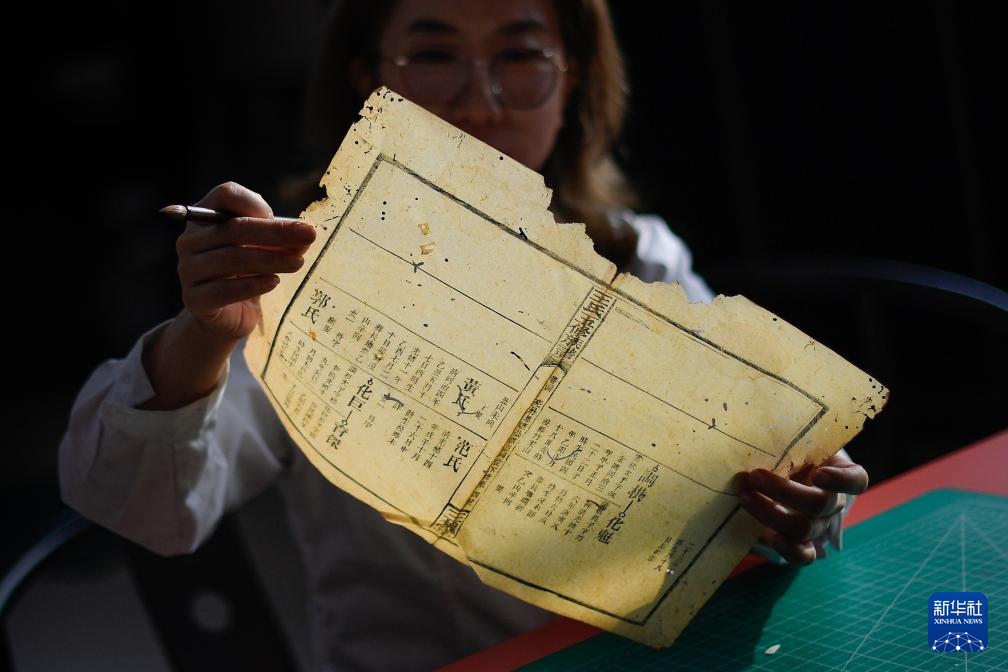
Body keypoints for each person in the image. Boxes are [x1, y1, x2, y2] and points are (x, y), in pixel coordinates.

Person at [59, 1, 869, 669]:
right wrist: (206, 334)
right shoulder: (297, 278)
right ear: (368, 79)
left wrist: (799, 505)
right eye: (434, 55)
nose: (480, 100)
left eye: (520, 56)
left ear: (572, 79)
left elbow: (759, 486)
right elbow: (145, 508)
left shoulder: (637, 257)